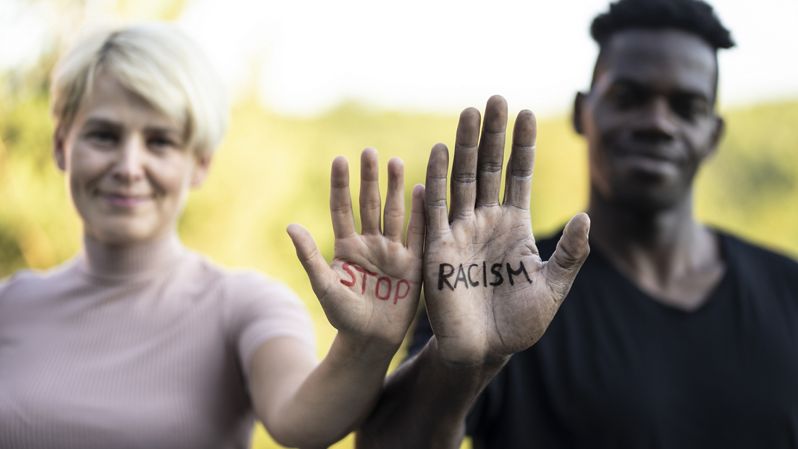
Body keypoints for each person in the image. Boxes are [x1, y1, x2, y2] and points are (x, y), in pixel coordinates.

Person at [357, 0, 798, 448]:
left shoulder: (789, 289)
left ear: (714, 135)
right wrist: (463, 367)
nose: (658, 123)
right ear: (581, 112)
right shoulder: (502, 287)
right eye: (629, 97)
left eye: (687, 107)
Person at [0, 23, 426, 449]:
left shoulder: (244, 305)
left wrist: (366, 343)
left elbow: (303, 420)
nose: (129, 166)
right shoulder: (10, 305)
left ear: (199, 162)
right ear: (60, 145)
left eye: (160, 141)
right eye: (104, 136)